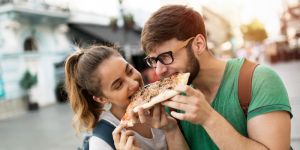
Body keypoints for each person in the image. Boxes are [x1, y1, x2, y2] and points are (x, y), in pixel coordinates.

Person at [129, 5, 293, 150]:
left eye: (165, 57)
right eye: (153, 60)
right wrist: (171, 130)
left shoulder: (259, 80)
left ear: (198, 44)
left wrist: (208, 118)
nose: (159, 71)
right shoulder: (173, 102)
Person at [64, 45, 168, 150]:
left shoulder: (164, 102)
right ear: (102, 99)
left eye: (130, 71)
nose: (134, 84)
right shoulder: (101, 144)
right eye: (118, 85)